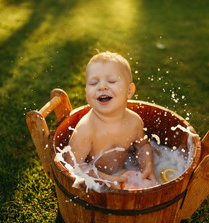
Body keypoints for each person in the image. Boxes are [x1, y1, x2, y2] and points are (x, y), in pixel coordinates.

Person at [65, 51, 157, 189]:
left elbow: (142, 146)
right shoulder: (86, 129)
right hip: (95, 188)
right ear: (86, 92)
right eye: (94, 83)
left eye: (112, 81)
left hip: (123, 171)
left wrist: (148, 166)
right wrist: (107, 180)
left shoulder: (134, 121)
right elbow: (72, 166)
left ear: (129, 91)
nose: (102, 86)